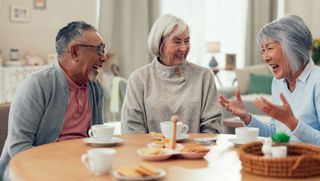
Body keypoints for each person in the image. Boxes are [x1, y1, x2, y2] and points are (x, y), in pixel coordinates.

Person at [0, 21, 108, 180]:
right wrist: (58, 168)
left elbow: (97, 138)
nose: (104, 57)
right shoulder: (36, 85)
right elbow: (19, 148)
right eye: (99, 49)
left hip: (80, 166)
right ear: (74, 52)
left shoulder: (95, 87)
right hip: (30, 168)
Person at [220, 15, 320, 145]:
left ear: (292, 47)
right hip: (281, 162)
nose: (265, 58)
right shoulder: (278, 83)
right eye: (263, 50)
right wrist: (246, 117)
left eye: (270, 48)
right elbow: (275, 133)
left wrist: (293, 123)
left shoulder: (317, 81)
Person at [121, 14, 223, 134]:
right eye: (177, 41)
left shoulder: (204, 76)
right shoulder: (139, 79)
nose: (184, 48)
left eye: (187, 41)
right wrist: (156, 150)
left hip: (195, 151)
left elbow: (213, 128)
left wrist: (192, 150)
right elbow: (132, 129)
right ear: (160, 43)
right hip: (149, 151)